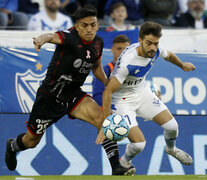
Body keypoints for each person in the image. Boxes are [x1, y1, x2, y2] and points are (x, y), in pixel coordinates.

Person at [5, 6, 135, 176]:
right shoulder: (68, 37)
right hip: (50, 97)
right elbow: (51, 36)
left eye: (93, 25)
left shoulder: (98, 42)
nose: (89, 29)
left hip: (74, 94)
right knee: (31, 142)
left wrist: (106, 81)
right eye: (84, 25)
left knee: (103, 118)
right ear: (77, 26)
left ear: (97, 25)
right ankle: (13, 145)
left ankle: (116, 167)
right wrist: (41, 40)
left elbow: (95, 66)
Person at [100, 21, 195, 170]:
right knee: (138, 145)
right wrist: (105, 122)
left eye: (155, 44)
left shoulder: (156, 50)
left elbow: (169, 55)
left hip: (142, 92)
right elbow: (108, 92)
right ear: (140, 40)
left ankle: (171, 149)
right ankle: (124, 162)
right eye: (149, 43)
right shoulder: (128, 63)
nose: (152, 48)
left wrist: (182, 65)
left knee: (172, 126)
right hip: (122, 101)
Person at [93, 35, 131, 106]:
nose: (123, 52)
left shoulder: (136, 70)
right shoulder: (104, 71)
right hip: (113, 112)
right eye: (119, 48)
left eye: (126, 49)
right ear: (112, 49)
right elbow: (97, 96)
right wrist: (117, 106)